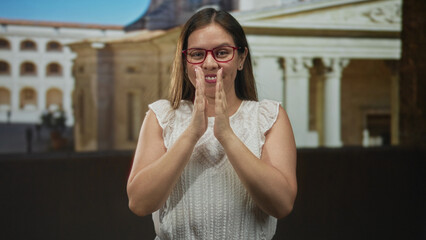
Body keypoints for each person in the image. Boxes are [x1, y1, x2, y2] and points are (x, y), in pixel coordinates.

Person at [127, 8, 297, 240]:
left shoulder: (268, 116)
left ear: (241, 58)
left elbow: (281, 204)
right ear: (185, 61)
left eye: (222, 52)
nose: (209, 63)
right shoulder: (162, 115)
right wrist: (192, 134)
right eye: (197, 54)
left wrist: (226, 135)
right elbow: (139, 203)